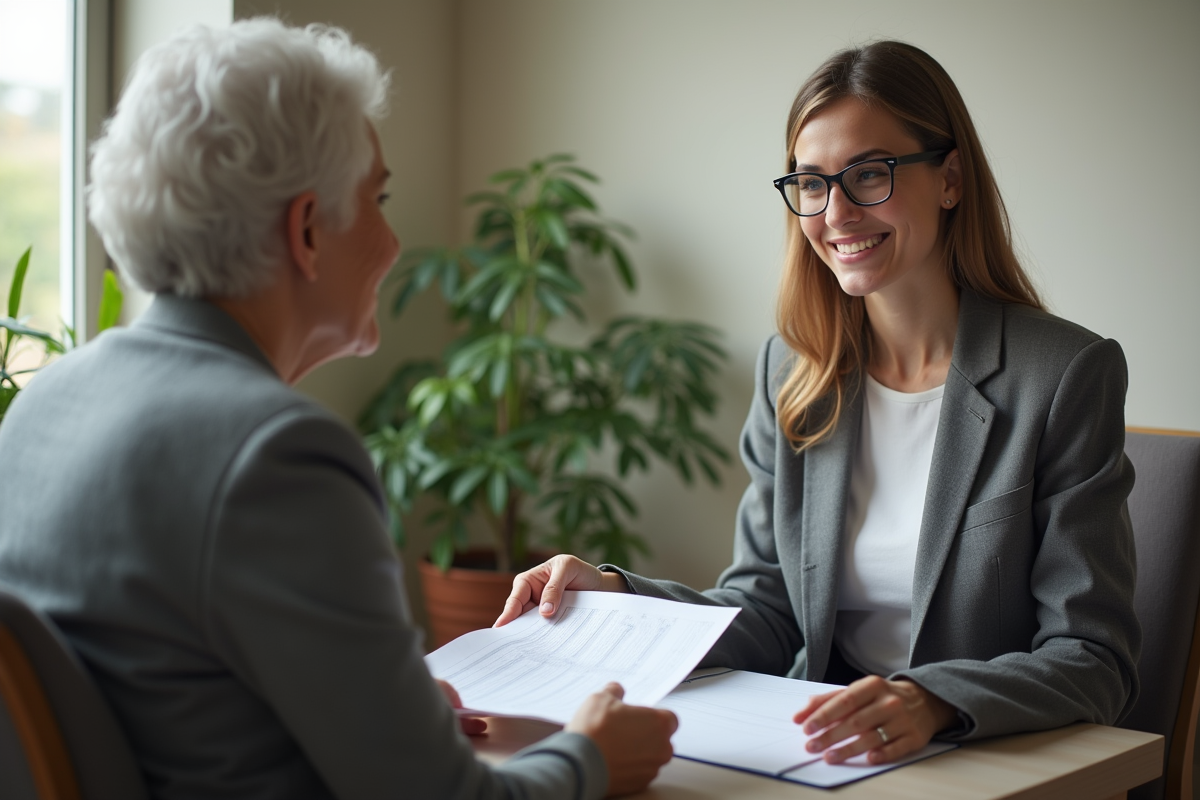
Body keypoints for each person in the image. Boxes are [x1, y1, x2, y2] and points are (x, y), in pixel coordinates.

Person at [0, 18, 676, 800]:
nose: (393, 242)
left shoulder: (42, 403)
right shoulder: (276, 452)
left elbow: (170, 701)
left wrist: (385, 717)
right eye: (378, 198)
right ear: (308, 229)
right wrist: (590, 755)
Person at [496, 40, 1140, 768]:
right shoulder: (795, 372)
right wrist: (613, 593)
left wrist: (932, 701)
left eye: (871, 173)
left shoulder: (1063, 374)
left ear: (951, 179)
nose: (836, 213)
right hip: (819, 754)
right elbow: (768, 611)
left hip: (979, 762)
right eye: (811, 183)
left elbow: (1094, 660)